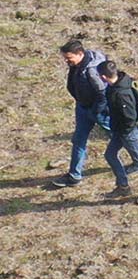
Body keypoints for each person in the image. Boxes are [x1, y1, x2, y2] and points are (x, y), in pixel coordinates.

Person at [96, 60, 138, 202]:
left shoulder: (121, 93)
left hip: (128, 132)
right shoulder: (117, 85)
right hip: (120, 130)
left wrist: (124, 133)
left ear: (104, 77)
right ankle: (123, 186)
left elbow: (130, 117)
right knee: (110, 155)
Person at [50, 38, 108, 188]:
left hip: (97, 111)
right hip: (83, 107)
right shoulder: (77, 65)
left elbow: (102, 95)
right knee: (78, 140)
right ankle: (74, 176)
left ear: (80, 53)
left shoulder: (92, 71)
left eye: (69, 58)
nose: (66, 61)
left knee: (121, 136)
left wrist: (95, 111)